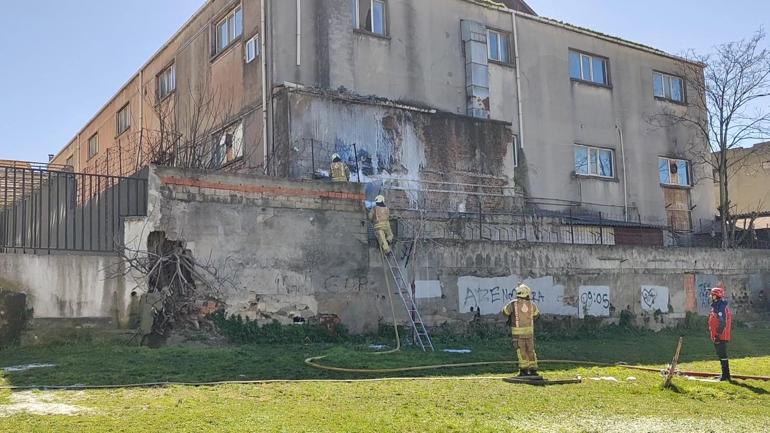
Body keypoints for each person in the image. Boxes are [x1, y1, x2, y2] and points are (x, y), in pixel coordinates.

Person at [502, 284, 541, 377]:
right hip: (529, 333)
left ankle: (523, 370)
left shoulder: (513, 304)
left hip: (517, 334)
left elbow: (505, 312)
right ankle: (533, 370)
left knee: (521, 351)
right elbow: (537, 315)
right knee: (531, 351)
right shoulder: (532, 305)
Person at [708, 286, 732, 381]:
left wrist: (717, 335)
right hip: (718, 335)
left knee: (722, 354)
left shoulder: (720, 307)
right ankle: (724, 374)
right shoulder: (717, 306)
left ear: (716, 296)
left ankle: (726, 375)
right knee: (720, 354)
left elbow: (722, 322)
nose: (711, 296)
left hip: (720, 335)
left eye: (712, 295)